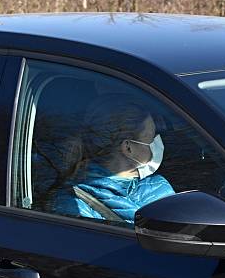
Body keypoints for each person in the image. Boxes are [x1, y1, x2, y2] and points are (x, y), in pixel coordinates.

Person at [51, 94, 175, 223]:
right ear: (128, 148)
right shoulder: (74, 205)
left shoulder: (158, 185)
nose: (156, 142)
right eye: (150, 137)